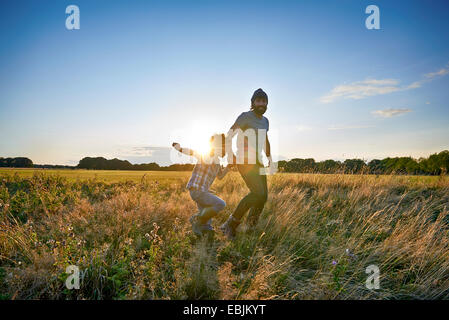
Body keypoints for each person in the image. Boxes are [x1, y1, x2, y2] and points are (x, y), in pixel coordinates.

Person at [220, 88, 272, 239]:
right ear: (253, 103)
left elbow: (265, 139)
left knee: (263, 197)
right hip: (244, 160)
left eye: (264, 101)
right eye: (258, 101)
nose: (261, 104)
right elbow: (230, 134)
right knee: (257, 193)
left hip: (258, 161)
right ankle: (229, 225)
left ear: (267, 103)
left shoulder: (265, 121)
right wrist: (232, 155)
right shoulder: (245, 117)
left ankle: (250, 227)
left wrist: (269, 156)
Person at [172, 134, 230, 237]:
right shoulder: (205, 155)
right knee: (220, 204)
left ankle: (202, 233)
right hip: (197, 190)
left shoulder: (217, 162)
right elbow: (191, 152)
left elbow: (220, 176)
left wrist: (229, 166)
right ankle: (197, 219)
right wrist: (179, 149)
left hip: (203, 191)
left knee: (206, 218)